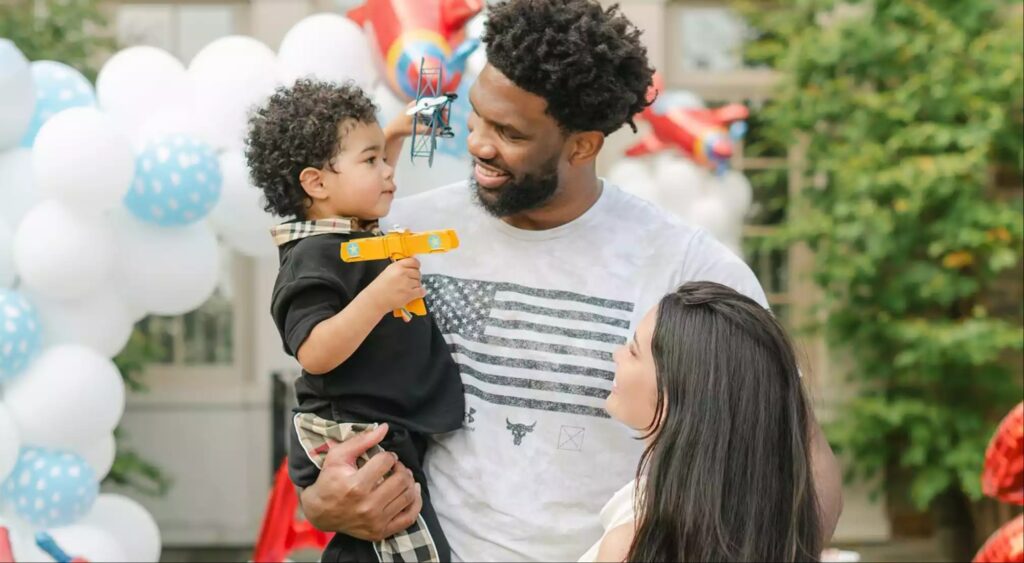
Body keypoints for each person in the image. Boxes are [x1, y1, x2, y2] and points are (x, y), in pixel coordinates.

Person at [298, 1, 843, 560]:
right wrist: (322, 501)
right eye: (479, 115)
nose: (480, 144)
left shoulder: (689, 267)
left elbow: (798, 457)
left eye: (510, 132)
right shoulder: (402, 234)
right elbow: (329, 399)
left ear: (583, 145)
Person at [246, 79, 465, 562]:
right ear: (316, 183)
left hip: (382, 424)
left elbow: (360, 180)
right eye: (372, 161)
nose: (388, 173)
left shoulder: (347, 226)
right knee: (404, 545)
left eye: (384, 159)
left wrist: (395, 133)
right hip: (352, 430)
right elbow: (315, 352)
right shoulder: (311, 256)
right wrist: (378, 297)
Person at [580, 281, 823, 562]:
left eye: (633, 351)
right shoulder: (775, 536)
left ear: (674, 394)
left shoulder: (633, 545)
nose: (617, 355)